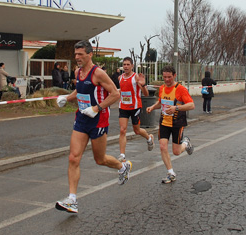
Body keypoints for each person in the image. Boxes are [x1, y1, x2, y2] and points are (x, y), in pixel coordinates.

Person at [54, 40, 128, 214]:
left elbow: (115, 94)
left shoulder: (98, 73)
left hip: (98, 120)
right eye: (76, 54)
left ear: (90, 54)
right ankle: (72, 199)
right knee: (73, 157)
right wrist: (67, 98)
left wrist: (96, 108)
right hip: (81, 119)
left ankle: (122, 167)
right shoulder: (78, 72)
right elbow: (79, 91)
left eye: (80, 54)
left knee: (100, 159)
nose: (77, 58)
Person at [146, 65, 195, 184]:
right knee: (163, 146)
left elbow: (191, 105)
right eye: (164, 77)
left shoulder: (181, 89)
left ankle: (186, 143)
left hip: (177, 123)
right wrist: (152, 107)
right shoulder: (162, 88)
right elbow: (160, 102)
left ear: (174, 76)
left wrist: (176, 107)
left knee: (176, 152)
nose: (167, 80)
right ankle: (170, 173)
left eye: (169, 77)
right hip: (164, 122)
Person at [117, 57, 154, 162]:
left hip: (135, 107)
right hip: (123, 107)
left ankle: (149, 138)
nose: (126, 66)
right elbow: (122, 90)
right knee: (122, 130)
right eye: (124, 64)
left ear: (132, 66)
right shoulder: (120, 78)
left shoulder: (136, 77)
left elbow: (146, 94)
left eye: (128, 64)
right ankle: (122, 155)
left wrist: (143, 85)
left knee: (137, 131)